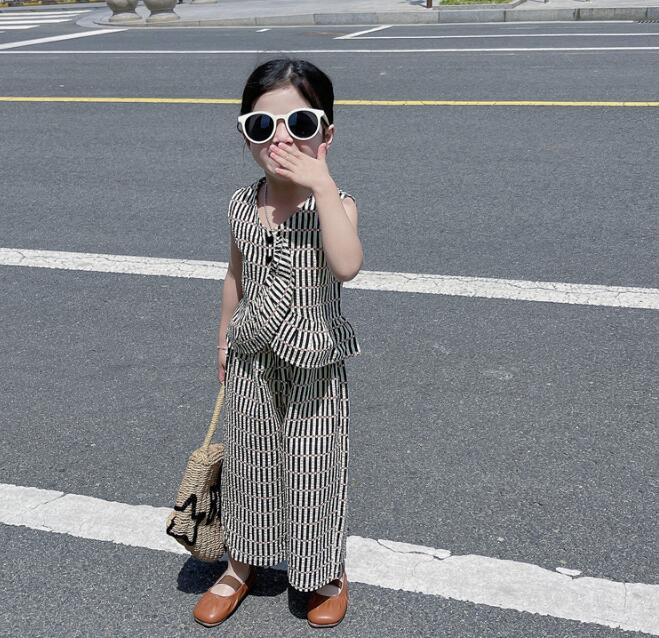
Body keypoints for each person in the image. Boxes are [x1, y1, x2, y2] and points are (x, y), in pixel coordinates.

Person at [192, 57, 363, 629]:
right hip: (251, 360)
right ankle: (239, 565)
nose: (282, 139)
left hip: (314, 361)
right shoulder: (243, 204)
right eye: (263, 126)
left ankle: (324, 570)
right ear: (246, 135)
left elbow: (347, 265)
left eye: (301, 124)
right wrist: (223, 341)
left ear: (326, 135)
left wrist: (323, 184)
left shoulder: (335, 204)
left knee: (315, 469)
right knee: (250, 464)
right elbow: (235, 276)